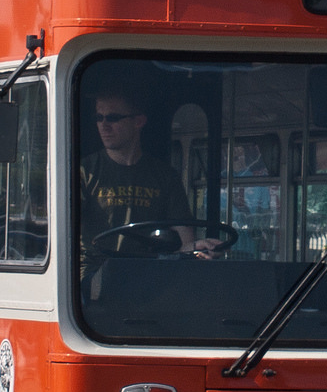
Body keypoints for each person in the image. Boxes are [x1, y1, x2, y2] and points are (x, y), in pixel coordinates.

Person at [77, 88, 221, 272]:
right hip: (94, 273)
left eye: (112, 118)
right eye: (99, 118)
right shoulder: (84, 172)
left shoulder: (165, 176)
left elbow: (185, 241)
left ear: (138, 121)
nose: (103, 126)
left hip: (147, 273)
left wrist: (196, 248)